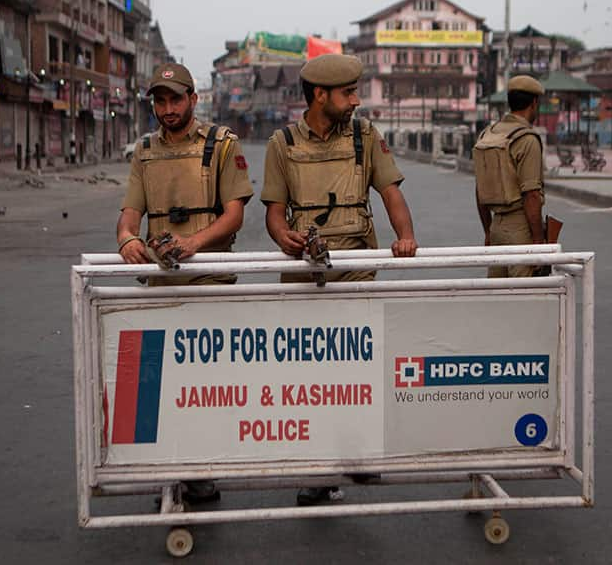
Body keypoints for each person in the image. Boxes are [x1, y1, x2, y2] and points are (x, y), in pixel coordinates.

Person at [261, 53, 417, 504]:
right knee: (312, 374)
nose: (355, 101)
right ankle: (316, 471)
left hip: (358, 268)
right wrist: (284, 237)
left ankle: (360, 457)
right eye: (348, 93)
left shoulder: (365, 136)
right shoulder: (282, 143)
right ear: (319, 95)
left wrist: (405, 238)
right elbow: (274, 213)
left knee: (360, 367)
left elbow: (391, 193)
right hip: (305, 273)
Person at [116, 61, 253, 504]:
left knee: (206, 385)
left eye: (176, 99)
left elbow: (234, 214)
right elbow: (130, 212)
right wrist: (126, 239)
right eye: (160, 100)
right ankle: (168, 473)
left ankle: (200, 470)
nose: (168, 108)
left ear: (194, 99)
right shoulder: (145, 151)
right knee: (161, 383)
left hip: (209, 282)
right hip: (162, 285)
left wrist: (194, 242)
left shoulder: (221, 144)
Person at [473, 75, 547, 278]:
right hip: (520, 226)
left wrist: (488, 231)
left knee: (499, 297)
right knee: (524, 296)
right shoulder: (526, 139)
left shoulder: (487, 134)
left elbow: (480, 191)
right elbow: (531, 195)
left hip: (496, 226)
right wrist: (538, 241)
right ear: (534, 103)